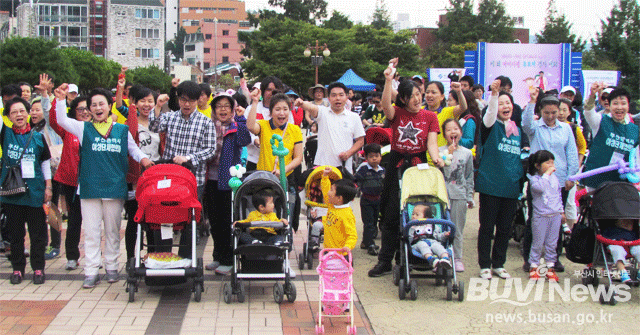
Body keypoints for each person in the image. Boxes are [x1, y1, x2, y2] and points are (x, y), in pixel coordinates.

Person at [54, 84, 153, 288]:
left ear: (109, 106)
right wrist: (60, 100)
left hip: (115, 188)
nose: (98, 108)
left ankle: (111, 268)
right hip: (89, 188)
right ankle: (91, 270)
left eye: (102, 104)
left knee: (112, 231)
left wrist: (145, 160)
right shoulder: (83, 128)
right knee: (91, 232)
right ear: (89, 109)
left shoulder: (121, 130)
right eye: (93, 105)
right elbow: (62, 120)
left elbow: (134, 150)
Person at [368, 59, 443, 277]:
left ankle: (407, 258)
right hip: (397, 164)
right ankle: (385, 261)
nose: (418, 99)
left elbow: (431, 144)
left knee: (414, 212)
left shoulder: (430, 117)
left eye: (419, 95)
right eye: (412, 96)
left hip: (419, 166)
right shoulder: (397, 114)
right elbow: (385, 105)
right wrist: (388, 80)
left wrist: (436, 159)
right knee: (391, 214)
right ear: (403, 99)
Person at [521, 91, 579, 272]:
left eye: (554, 112)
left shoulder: (566, 129)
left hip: (560, 180)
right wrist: (531, 101)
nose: (551, 116)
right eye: (547, 113)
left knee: (557, 220)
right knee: (535, 219)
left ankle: (554, 257)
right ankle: (530, 258)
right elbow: (525, 124)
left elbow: (571, 153)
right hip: (538, 181)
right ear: (541, 111)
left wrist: (572, 177)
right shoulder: (536, 128)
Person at [475, 79, 524, 280]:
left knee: (505, 228)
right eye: (502, 103)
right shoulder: (489, 125)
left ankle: (499, 263)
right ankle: (485, 264)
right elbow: (489, 115)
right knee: (487, 228)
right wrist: (495, 95)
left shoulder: (517, 130)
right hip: (490, 186)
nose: (506, 107)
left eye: (508, 103)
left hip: (510, 187)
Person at [2, 97, 52, 285]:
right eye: (14, 112)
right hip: (12, 194)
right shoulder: (5, 134)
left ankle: (38, 268)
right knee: (16, 235)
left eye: (22, 111)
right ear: (8, 116)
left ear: (28, 112)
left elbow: (45, 163)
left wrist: (48, 187)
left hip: (35, 192)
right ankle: (17, 269)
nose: (19, 115)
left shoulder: (38, 137)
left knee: (38, 234)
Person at [204, 92, 251, 274]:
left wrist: (240, 119)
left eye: (226, 106)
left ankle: (228, 259)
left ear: (232, 109)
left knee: (226, 221)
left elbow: (245, 140)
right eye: (219, 106)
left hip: (229, 181)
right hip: (210, 179)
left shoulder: (235, 126)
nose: (222, 109)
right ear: (214, 109)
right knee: (214, 221)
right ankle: (217, 256)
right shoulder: (208, 126)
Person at [49, 96, 90, 270]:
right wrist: (53, 99)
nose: (85, 112)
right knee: (74, 220)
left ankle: (95, 258)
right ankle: (72, 257)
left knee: (93, 222)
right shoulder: (69, 129)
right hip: (71, 182)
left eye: (87, 108)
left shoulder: (98, 129)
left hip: (91, 183)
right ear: (74, 111)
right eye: (80, 109)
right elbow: (53, 121)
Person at [296, 82, 365, 175]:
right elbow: (312, 107)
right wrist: (302, 103)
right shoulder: (322, 112)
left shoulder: (354, 117)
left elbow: (360, 141)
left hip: (344, 167)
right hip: (322, 166)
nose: (337, 98)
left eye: (341, 95)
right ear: (328, 98)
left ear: (346, 97)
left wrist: (348, 154)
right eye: (334, 95)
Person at [581, 84, 638, 190]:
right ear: (609, 105)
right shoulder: (600, 121)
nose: (619, 107)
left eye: (623, 103)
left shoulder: (635, 130)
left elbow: (636, 157)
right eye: (615, 103)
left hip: (620, 182)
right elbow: (588, 112)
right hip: (596, 181)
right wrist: (592, 95)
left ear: (628, 105)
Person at [440, 119, 474, 272]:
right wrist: (449, 155)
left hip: (459, 195)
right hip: (443, 196)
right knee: (441, 228)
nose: (453, 132)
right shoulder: (440, 152)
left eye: (456, 129)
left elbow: (468, 176)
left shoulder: (467, 153)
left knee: (457, 228)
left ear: (461, 131)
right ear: (444, 134)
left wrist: (469, 196)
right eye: (448, 130)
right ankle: (442, 255)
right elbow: (444, 173)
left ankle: (457, 257)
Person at [527, 150, 564, 282]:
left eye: (552, 162)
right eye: (547, 163)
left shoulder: (555, 179)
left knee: (552, 243)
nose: (551, 165)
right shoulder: (535, 179)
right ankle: (534, 266)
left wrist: (561, 211)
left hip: (555, 215)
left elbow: (558, 195)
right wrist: (547, 174)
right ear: (538, 165)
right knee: (537, 242)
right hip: (540, 216)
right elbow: (540, 188)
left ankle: (550, 267)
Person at [246, 76, 290, 171]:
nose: (271, 93)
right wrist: (254, 140)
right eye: (269, 90)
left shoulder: (285, 111)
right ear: (262, 91)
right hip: (255, 160)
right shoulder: (252, 108)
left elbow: (290, 131)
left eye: (275, 90)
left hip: (278, 162)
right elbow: (247, 129)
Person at [318, 167, 358, 256]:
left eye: (331, 190)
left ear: (339, 198)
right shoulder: (333, 205)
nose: (328, 192)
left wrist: (348, 246)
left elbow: (352, 235)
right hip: (329, 251)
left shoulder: (346, 215)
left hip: (341, 254)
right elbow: (325, 191)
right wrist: (325, 177)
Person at [355, 143, 385, 256]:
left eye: (376, 156)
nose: (374, 159)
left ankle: (365, 242)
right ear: (366, 158)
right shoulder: (363, 168)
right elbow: (356, 179)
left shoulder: (382, 170)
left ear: (380, 157)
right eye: (371, 156)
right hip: (366, 199)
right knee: (368, 223)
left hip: (377, 200)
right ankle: (371, 244)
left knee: (373, 221)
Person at [408, 204, 451, 269]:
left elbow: (438, 237)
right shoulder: (411, 227)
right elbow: (409, 240)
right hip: (417, 244)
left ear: (426, 218)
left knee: (438, 246)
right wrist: (411, 229)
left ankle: (445, 259)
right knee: (422, 245)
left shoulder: (432, 226)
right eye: (413, 214)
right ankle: (431, 259)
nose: (414, 216)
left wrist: (445, 235)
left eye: (417, 214)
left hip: (432, 241)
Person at [602, 219, 640, 284]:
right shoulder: (611, 231)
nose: (627, 222)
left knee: (638, 250)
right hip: (615, 242)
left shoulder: (633, 234)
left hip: (631, 242)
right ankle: (623, 273)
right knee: (617, 251)